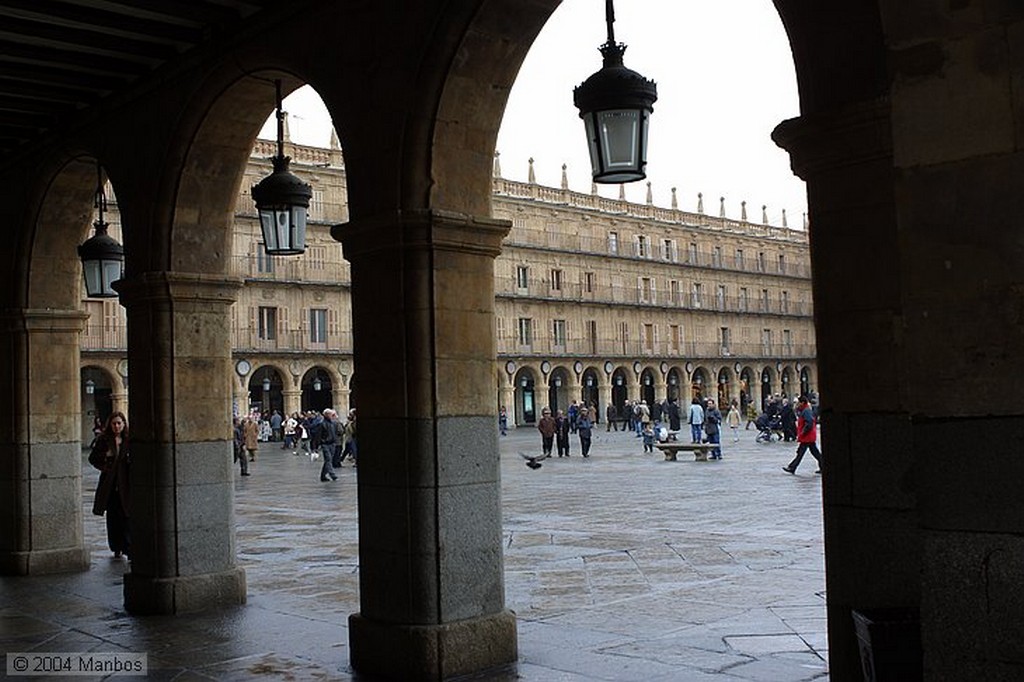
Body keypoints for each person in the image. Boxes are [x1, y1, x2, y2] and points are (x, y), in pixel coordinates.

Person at [88, 411, 131, 559]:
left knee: (127, 515)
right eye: (114, 423)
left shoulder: (128, 440)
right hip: (110, 484)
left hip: (126, 483)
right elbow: (92, 458)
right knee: (113, 517)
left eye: (119, 423)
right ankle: (116, 547)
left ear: (124, 424)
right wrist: (105, 463)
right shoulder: (104, 440)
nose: (116, 426)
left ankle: (128, 548)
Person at [783, 395, 822, 474]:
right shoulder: (804, 410)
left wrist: (803, 432)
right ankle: (824, 466)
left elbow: (810, 422)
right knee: (815, 453)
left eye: (798, 402)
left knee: (800, 453)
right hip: (808, 436)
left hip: (807, 436)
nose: (797, 404)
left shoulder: (806, 411)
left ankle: (792, 467)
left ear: (802, 402)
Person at [317, 408, 339, 481]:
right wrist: (317, 446)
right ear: (325, 415)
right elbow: (319, 435)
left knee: (328, 460)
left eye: (332, 414)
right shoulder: (322, 423)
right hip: (325, 444)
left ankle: (323, 476)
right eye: (329, 414)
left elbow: (337, 432)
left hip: (332, 444)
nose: (331, 415)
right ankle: (333, 475)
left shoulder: (334, 423)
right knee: (328, 459)